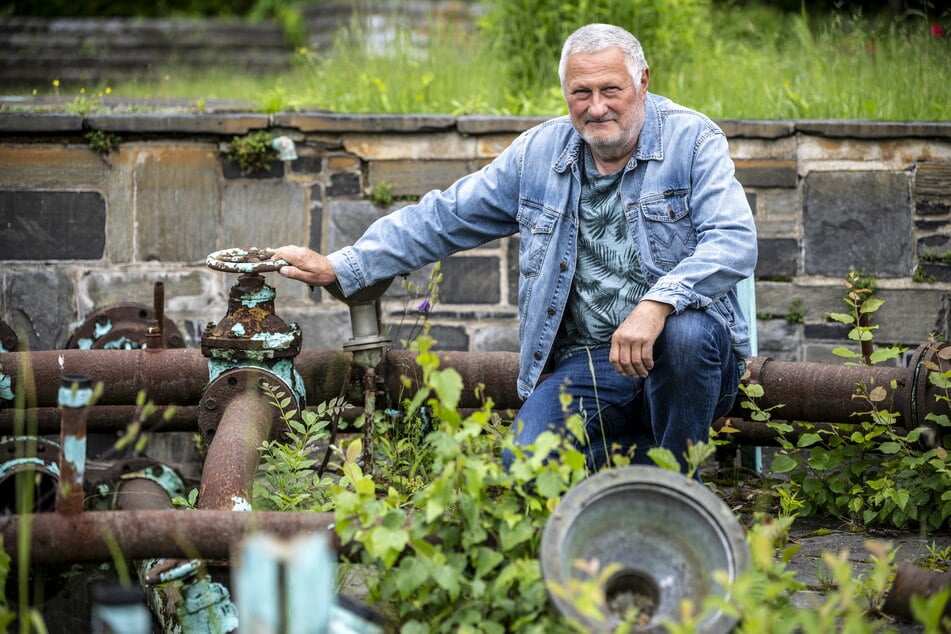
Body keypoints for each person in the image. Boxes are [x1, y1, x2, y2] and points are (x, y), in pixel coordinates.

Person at [272, 23, 757, 474]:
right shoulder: (538, 154)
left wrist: (657, 304)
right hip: (588, 363)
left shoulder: (692, 140)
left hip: (682, 361)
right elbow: (445, 217)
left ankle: (673, 498)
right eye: (580, 93)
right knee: (523, 467)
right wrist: (344, 264)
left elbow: (734, 241)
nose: (596, 107)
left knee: (686, 335)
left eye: (611, 90)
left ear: (643, 81)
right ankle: (621, 478)